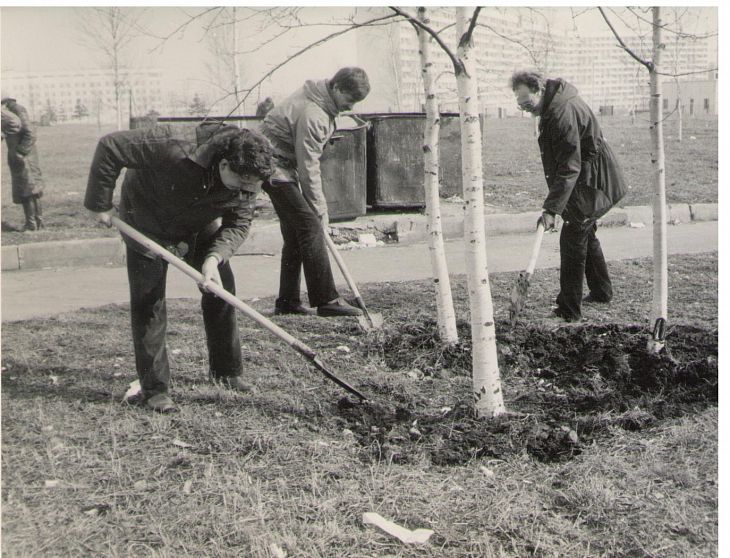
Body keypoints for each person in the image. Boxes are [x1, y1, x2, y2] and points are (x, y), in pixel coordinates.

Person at [84, 123, 274, 412]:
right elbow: (111, 146)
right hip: (146, 221)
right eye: (240, 186)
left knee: (222, 288)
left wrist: (214, 258)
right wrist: (100, 202)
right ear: (224, 164)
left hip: (198, 221)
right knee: (150, 303)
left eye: (251, 189)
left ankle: (227, 372)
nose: (246, 193)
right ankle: (155, 390)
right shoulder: (175, 144)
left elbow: (238, 222)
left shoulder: (248, 180)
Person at [510, 70, 627, 322]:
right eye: (520, 105)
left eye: (527, 103)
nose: (525, 109)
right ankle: (601, 291)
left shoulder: (560, 112)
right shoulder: (552, 105)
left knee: (574, 234)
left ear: (539, 89)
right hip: (589, 176)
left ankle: (568, 310)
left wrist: (551, 209)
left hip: (596, 179)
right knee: (585, 229)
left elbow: (569, 166)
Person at [260, 67, 370, 317]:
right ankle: (326, 299)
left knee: (296, 233)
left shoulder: (319, 98)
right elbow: (308, 164)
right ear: (337, 88)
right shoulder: (315, 114)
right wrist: (320, 208)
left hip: (279, 166)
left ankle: (287, 302)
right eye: (350, 100)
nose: (350, 107)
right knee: (311, 226)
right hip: (272, 167)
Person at [1, 95, 45, 231]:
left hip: (25, 157)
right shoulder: (16, 110)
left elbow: (30, 133)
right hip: (25, 157)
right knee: (32, 190)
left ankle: (32, 224)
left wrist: (20, 152)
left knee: (28, 190)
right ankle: (37, 223)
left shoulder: (15, 110)